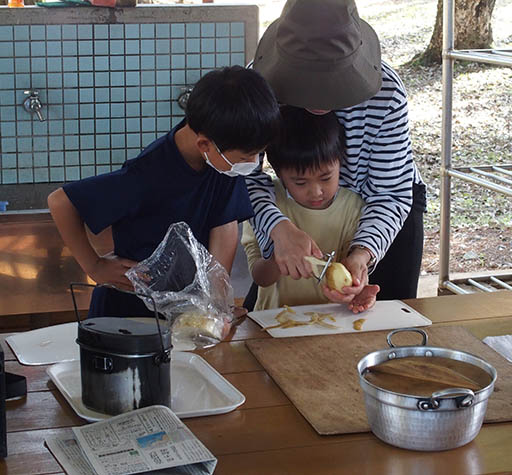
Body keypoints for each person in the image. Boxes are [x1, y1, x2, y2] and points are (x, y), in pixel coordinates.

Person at [48, 66, 280, 318]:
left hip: (188, 310)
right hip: (130, 313)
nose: (253, 163)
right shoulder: (148, 174)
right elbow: (61, 202)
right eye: (247, 157)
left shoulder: (222, 153)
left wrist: (216, 303)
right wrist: (94, 266)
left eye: (259, 154)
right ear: (204, 145)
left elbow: (224, 224)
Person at [247, 0, 427, 305]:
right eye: (307, 83)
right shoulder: (260, 85)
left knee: (378, 318)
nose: (320, 95)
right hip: (294, 208)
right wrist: (278, 228)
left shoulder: (386, 92)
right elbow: (241, 176)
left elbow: (390, 193)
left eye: (332, 83)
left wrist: (362, 255)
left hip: (378, 207)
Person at [242, 106, 380, 313]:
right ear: (279, 173)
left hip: (333, 320)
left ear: (341, 164)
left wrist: (357, 288)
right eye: (300, 182)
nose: (316, 192)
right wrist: (278, 257)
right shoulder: (265, 206)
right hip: (274, 321)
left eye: (326, 178)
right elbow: (260, 277)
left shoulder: (354, 208)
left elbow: (353, 272)